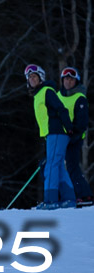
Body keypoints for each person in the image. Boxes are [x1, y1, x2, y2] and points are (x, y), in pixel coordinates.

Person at [24, 64, 77, 209]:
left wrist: (69, 129)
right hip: (52, 134)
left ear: (41, 77)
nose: (32, 79)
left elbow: (62, 109)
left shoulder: (47, 91)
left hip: (57, 132)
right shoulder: (38, 94)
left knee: (51, 165)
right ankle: (69, 199)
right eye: (30, 77)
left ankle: (50, 200)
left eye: (34, 76)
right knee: (58, 165)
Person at [57, 66, 93, 207]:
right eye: (66, 79)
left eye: (71, 79)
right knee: (54, 166)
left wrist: (74, 136)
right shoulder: (58, 96)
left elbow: (82, 122)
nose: (68, 82)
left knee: (71, 166)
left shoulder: (80, 98)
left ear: (76, 81)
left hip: (73, 138)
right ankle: (62, 196)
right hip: (59, 138)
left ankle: (85, 195)